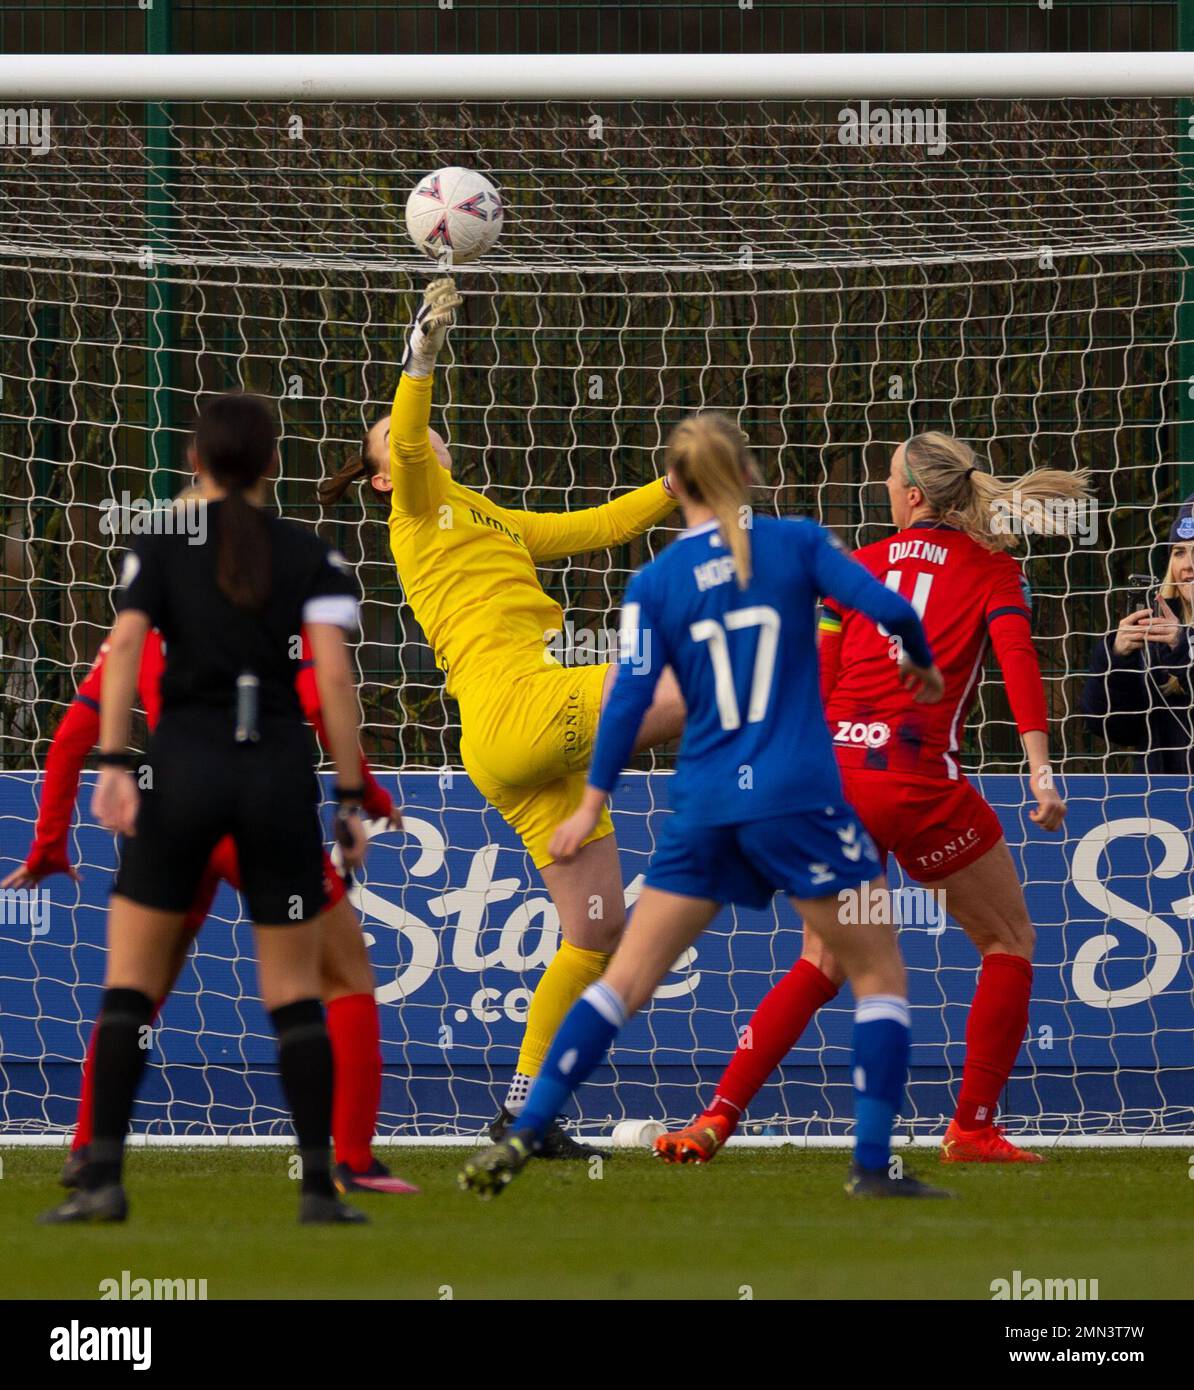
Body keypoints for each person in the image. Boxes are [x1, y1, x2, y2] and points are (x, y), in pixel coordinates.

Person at [458, 411, 951, 1200]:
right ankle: (871, 1165)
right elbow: (889, 611)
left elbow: (622, 709)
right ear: (747, 477)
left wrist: (589, 805)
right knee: (878, 971)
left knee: (624, 979)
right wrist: (921, 669)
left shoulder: (653, 583)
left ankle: (523, 1130)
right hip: (797, 800)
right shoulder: (795, 543)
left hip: (705, 807)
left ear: (676, 488)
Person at [317, 278, 685, 1156]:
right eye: (392, 449)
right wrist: (423, 352)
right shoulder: (414, 504)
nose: (411, 444)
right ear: (380, 478)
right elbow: (407, 434)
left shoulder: (485, 515)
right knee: (705, 677)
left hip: (510, 739)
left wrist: (677, 484)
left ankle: (528, 1114)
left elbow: (599, 526)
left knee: (595, 933)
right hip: (520, 707)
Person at [658, 432, 1081, 1167]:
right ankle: (972, 1129)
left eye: (890, 477)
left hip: (837, 782)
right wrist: (1040, 771)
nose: (884, 487)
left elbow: (816, 689)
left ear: (913, 496)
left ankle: (715, 1117)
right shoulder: (994, 571)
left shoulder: (853, 570)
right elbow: (1018, 662)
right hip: (919, 782)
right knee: (1008, 941)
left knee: (821, 962)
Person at [39, 393, 369, 1225]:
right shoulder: (312, 555)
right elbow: (333, 683)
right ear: (270, 464)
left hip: (180, 776)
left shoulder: (160, 544)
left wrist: (114, 762)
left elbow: (120, 661)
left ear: (195, 460)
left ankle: (104, 1181)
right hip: (276, 780)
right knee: (296, 992)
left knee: (130, 985)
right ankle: (318, 1189)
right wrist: (354, 791)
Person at [5, 625, 414, 1197]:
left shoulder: (146, 619)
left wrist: (49, 842)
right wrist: (363, 792)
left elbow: (72, 736)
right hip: (261, 815)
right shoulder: (275, 597)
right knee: (343, 979)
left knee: (134, 994)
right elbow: (324, 701)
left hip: (175, 818)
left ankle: (88, 1152)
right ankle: (350, 1161)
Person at [1079, 496, 1194, 773]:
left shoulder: (1174, 641)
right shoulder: (1155, 635)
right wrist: (1118, 659)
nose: (1188, 564)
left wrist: (1183, 649)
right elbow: (1114, 728)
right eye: (1179, 552)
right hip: (1162, 801)